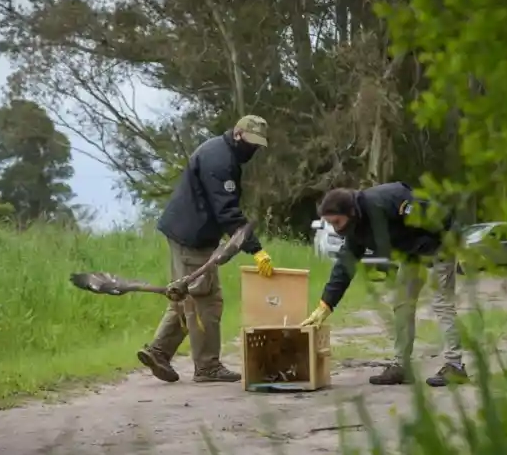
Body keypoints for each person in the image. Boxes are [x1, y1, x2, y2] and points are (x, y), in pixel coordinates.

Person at [136, 115, 276, 383]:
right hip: (192, 236)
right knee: (207, 301)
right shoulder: (220, 161)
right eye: (251, 143)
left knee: (186, 295)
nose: (254, 149)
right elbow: (228, 212)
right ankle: (207, 366)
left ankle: (159, 351)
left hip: (187, 231)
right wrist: (255, 249)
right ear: (237, 134)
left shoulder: (221, 152)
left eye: (259, 145)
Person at [299, 182, 468, 387]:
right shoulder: (355, 229)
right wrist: (325, 305)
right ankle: (401, 367)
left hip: (440, 246)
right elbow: (345, 266)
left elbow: (437, 215)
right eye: (331, 224)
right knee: (402, 304)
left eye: (337, 222)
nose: (336, 228)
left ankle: (455, 366)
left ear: (351, 212)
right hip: (412, 254)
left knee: (442, 304)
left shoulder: (384, 202)